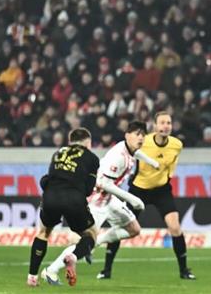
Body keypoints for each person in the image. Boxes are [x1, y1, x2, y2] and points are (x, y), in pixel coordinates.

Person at [42, 122, 149, 285]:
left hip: (109, 199)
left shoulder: (128, 149)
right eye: (137, 134)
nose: (140, 137)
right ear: (127, 135)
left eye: (143, 134)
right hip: (97, 200)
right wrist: (132, 199)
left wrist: (155, 163)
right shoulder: (119, 156)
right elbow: (104, 184)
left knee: (134, 229)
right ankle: (51, 270)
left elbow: (138, 154)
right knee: (84, 240)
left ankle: (95, 243)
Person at [98, 111, 192, 280]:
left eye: (168, 123)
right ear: (155, 126)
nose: (165, 126)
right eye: (162, 123)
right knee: (122, 226)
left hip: (162, 190)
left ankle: (184, 271)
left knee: (175, 227)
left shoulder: (177, 144)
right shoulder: (143, 141)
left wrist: (167, 176)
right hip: (139, 190)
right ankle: (106, 269)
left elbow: (172, 164)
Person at [28, 128, 100, 287]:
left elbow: (45, 181)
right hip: (74, 198)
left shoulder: (58, 153)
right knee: (91, 234)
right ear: (88, 142)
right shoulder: (92, 158)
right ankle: (73, 256)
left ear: (70, 141)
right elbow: (88, 189)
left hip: (51, 196)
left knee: (43, 232)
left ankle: (32, 277)